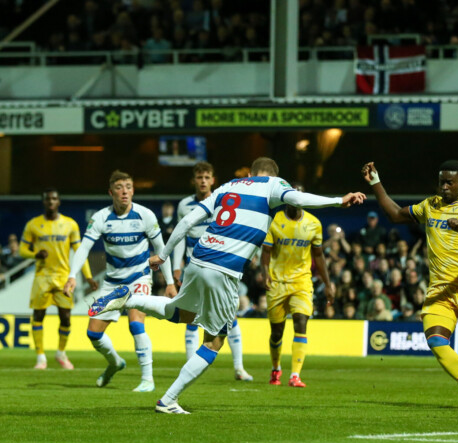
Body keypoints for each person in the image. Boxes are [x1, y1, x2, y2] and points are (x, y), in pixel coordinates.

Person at [88, 157, 364, 414]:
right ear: (273, 176)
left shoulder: (228, 186)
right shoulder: (273, 185)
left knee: (181, 312)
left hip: (198, 259)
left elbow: (187, 221)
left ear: (250, 173)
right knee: (214, 341)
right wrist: (339, 200)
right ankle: (168, 400)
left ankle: (128, 299)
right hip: (224, 269)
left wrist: (163, 255)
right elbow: (298, 198)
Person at [361, 160, 458, 411]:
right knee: (435, 342)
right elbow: (395, 214)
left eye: (449, 183)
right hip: (439, 292)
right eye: (441, 182)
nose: (443, 187)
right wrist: (375, 183)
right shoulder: (430, 205)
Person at [64, 170, 177, 392]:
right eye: (119, 187)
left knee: (136, 323)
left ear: (133, 191)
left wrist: (170, 282)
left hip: (139, 278)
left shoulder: (145, 215)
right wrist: (72, 275)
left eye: (128, 187)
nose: (124, 191)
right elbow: (84, 248)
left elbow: (161, 249)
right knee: (93, 334)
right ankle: (115, 363)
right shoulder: (101, 218)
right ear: (110, 192)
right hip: (112, 283)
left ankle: (147, 380)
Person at [172, 162, 253, 382]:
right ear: (194, 180)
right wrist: (176, 267)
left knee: (229, 317)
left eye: (207, 177)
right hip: (194, 269)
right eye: (199, 177)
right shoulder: (184, 205)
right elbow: (181, 236)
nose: (203, 181)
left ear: (213, 180)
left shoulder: (223, 200)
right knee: (191, 317)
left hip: (219, 267)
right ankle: (191, 367)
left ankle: (239, 368)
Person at [261, 182, 333, 388]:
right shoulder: (274, 221)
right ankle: (276, 368)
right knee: (277, 332)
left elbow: (318, 255)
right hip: (277, 282)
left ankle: (295, 375)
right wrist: (265, 273)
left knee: (301, 322)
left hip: (302, 282)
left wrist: (328, 284)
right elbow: (265, 252)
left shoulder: (314, 223)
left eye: (301, 193)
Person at [20, 188, 99, 370]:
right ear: (44, 202)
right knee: (38, 316)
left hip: (63, 277)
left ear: (59, 202)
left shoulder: (70, 224)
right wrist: (35, 254)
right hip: (42, 277)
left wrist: (88, 276)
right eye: (48, 199)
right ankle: (40, 357)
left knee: (66, 318)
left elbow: (79, 252)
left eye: (54, 199)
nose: (51, 202)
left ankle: (61, 353)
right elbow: (22, 250)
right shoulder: (33, 224)